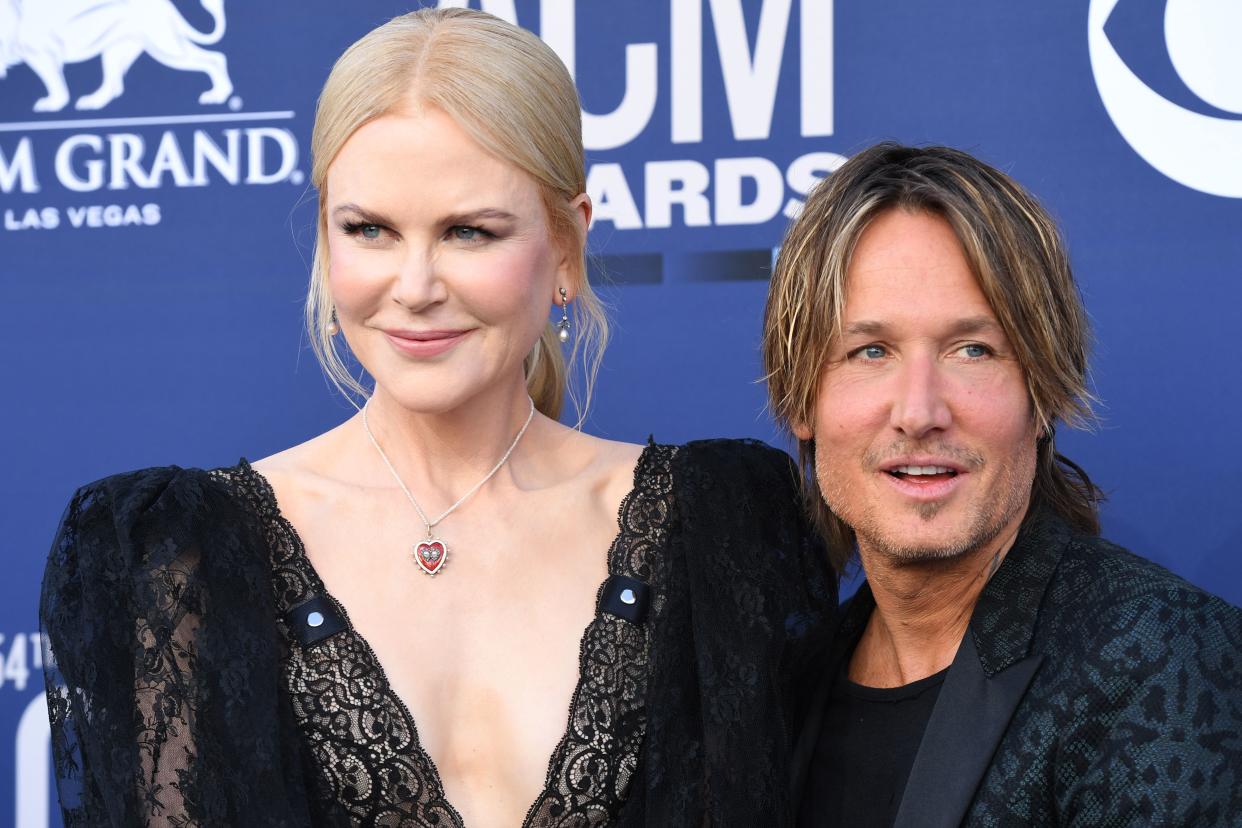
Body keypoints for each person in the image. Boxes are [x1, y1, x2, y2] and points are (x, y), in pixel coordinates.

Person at [40, 9, 835, 827]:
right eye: (370, 230)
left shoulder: (721, 529)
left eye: (467, 231)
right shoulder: (179, 557)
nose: (415, 287)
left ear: (567, 244)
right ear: (325, 235)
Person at [763, 143, 1242, 827]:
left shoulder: (1167, 662)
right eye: (871, 351)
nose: (920, 412)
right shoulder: (783, 691)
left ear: (1042, 391)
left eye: (972, 350)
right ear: (801, 402)